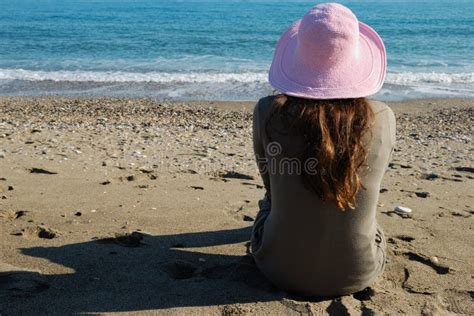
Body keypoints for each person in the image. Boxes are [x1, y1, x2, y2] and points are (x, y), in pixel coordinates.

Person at [251, 3, 395, 297]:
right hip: (359, 270)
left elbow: (270, 186)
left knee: (269, 204)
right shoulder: (382, 118)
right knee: (367, 217)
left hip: (277, 268)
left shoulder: (267, 112)